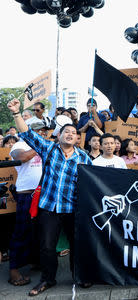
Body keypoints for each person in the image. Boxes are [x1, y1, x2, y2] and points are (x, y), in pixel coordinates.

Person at [7, 97, 92, 296]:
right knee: (46, 247)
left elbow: (97, 182)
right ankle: (47, 279)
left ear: (78, 139)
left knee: (77, 246)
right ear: (59, 135)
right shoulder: (48, 149)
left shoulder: (84, 158)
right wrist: (16, 113)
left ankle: (79, 276)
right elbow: (26, 134)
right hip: (49, 208)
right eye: (66, 131)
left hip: (73, 209)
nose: (70, 135)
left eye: (74, 133)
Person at [8, 120, 48, 286]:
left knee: (41, 231)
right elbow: (22, 158)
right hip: (27, 194)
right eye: (38, 130)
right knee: (22, 231)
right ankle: (13, 270)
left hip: (45, 193)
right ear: (30, 130)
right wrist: (39, 145)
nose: (42, 133)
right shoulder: (19, 145)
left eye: (44, 130)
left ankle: (35, 261)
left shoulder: (46, 144)